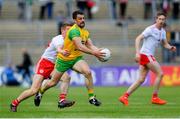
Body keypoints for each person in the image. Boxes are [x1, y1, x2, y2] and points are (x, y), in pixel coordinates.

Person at [35, 10, 105, 107]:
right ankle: (40, 92)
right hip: (64, 60)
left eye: (83, 18)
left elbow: (90, 45)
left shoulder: (85, 32)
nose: (82, 20)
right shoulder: (73, 31)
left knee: (88, 72)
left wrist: (99, 52)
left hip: (76, 59)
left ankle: (91, 98)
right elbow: (80, 47)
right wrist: (94, 53)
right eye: (80, 19)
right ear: (75, 20)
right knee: (53, 82)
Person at [10, 22, 75, 112]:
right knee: (33, 90)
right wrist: (62, 51)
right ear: (62, 30)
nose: (70, 32)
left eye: (71, 30)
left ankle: (61, 100)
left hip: (55, 65)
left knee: (66, 78)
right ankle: (14, 103)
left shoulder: (70, 40)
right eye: (68, 29)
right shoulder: (58, 39)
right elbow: (59, 48)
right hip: (44, 64)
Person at [119, 12, 176, 106]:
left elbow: (165, 44)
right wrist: (137, 53)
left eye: (163, 19)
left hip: (147, 55)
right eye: (160, 19)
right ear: (156, 19)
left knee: (141, 79)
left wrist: (170, 47)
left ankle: (124, 96)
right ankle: (155, 97)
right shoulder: (150, 29)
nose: (161, 21)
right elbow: (138, 39)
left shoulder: (163, 31)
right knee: (160, 74)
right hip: (146, 55)